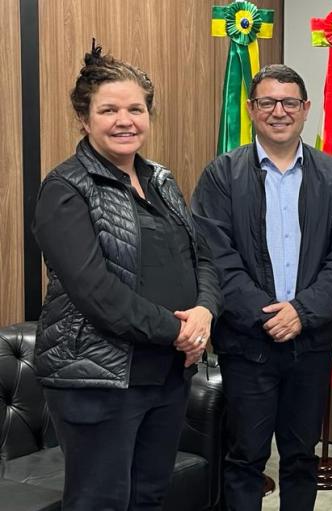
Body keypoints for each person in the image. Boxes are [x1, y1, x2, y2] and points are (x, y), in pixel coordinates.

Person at [32, 41, 221, 511]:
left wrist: (204, 311)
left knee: (150, 498)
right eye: (109, 109)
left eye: (135, 108)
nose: (125, 120)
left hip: (167, 375)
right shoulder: (65, 188)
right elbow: (98, 294)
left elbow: (204, 258)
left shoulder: (161, 178)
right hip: (99, 380)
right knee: (101, 502)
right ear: (84, 118)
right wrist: (179, 331)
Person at [191, 64, 332, 511]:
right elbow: (215, 256)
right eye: (267, 102)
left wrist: (302, 313)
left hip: (311, 344)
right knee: (246, 457)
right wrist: (269, 315)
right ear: (251, 110)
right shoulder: (221, 176)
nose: (279, 111)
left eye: (289, 102)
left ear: (306, 110)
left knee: (300, 458)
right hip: (248, 345)